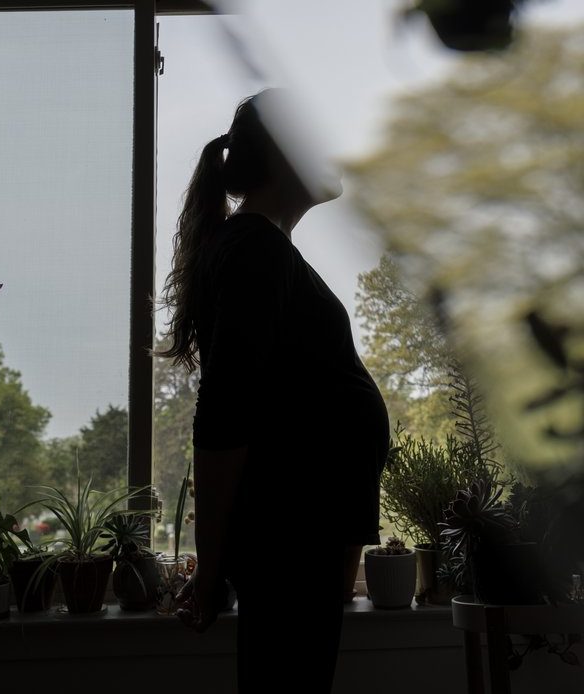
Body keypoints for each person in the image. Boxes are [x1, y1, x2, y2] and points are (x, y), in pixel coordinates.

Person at [155, 88, 390, 692]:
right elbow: (223, 419)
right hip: (289, 541)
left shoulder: (264, 249)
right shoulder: (253, 251)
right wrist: (210, 570)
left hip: (302, 538)